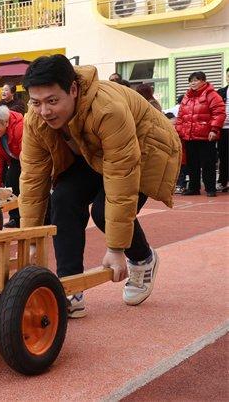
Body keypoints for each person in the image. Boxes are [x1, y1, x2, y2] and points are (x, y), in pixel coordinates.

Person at [19, 54, 181, 318]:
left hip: (143, 148)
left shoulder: (108, 109)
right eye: (36, 102)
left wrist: (116, 249)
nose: (45, 111)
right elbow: (32, 177)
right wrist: (31, 239)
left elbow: (121, 175)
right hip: (89, 152)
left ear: (73, 89)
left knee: (104, 212)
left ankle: (143, 259)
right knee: (63, 198)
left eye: (52, 101)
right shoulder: (35, 119)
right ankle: (70, 287)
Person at [175, 71, 225, 197]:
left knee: (207, 163)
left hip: (206, 136)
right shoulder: (186, 96)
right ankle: (193, 188)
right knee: (192, 164)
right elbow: (181, 116)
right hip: (189, 135)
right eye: (191, 81)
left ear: (203, 81)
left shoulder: (212, 95)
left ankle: (210, 188)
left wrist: (214, 129)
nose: (193, 83)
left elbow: (219, 113)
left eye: (196, 80)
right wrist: (179, 131)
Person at [216, 68, 228, 193]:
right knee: (223, 156)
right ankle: (223, 181)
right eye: (228, 76)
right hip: (224, 129)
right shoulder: (221, 92)